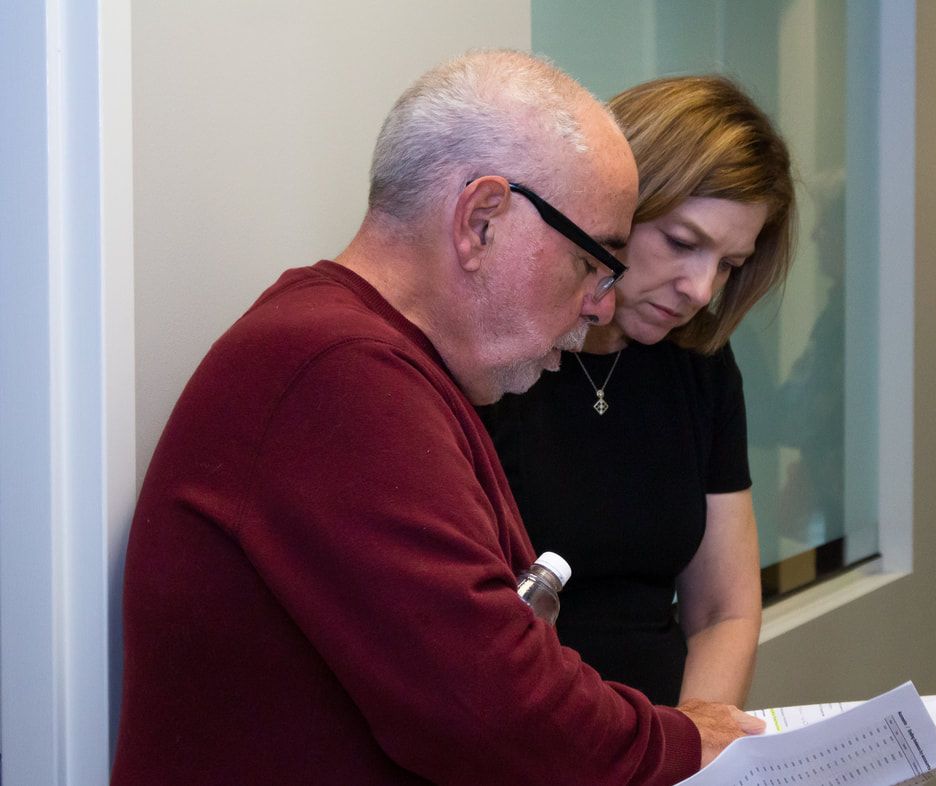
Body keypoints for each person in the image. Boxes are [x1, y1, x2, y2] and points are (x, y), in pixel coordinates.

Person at [111, 51, 764, 786]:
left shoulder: (374, 361)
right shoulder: (338, 376)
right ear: (481, 222)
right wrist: (683, 745)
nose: (601, 303)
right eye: (592, 263)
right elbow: (492, 709)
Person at [481, 74, 796, 709]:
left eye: (729, 265)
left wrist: (697, 742)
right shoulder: (495, 354)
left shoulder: (699, 363)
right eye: (682, 243)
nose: (700, 290)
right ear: (613, 207)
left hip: (664, 726)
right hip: (526, 726)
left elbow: (724, 610)